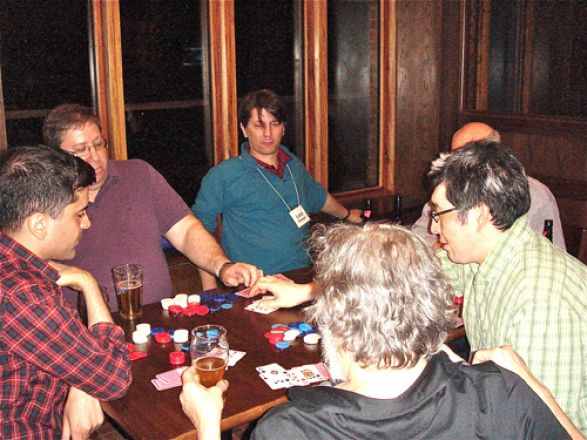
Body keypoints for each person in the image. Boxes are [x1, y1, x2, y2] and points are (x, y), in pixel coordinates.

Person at [179, 223, 581, 439]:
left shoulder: (288, 430)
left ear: (332, 321)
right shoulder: (501, 393)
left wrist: (209, 425)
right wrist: (529, 382)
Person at [427, 141, 587, 432]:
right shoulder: (484, 256)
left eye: (438, 214)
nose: (433, 228)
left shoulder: (541, 304)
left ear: (478, 215)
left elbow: (547, 430)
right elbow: (420, 272)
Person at [42, 104, 260, 311]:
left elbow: (186, 232)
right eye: (81, 150)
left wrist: (223, 267)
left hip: (157, 318)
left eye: (99, 144)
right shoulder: (44, 199)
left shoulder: (139, 174)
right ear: (56, 157)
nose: (95, 156)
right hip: (88, 329)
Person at [0, 146, 132, 439]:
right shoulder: (22, 295)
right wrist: (89, 285)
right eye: (79, 213)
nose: (87, 223)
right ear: (39, 224)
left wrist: (80, 382)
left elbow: (71, 354)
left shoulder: (13, 264)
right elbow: (113, 378)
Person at [192, 89, 363, 289]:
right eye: (259, 125)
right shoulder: (223, 174)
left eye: (275, 124)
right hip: (254, 283)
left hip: (302, 276)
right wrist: (210, 290)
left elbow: (319, 197)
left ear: (283, 128)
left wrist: (347, 215)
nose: (267, 133)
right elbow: (199, 232)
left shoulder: (293, 165)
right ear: (244, 129)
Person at [411, 122, 566, 250]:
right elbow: (418, 236)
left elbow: (553, 249)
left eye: (465, 158)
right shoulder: (445, 189)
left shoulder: (537, 194)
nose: (456, 166)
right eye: (454, 156)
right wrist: (447, 244)